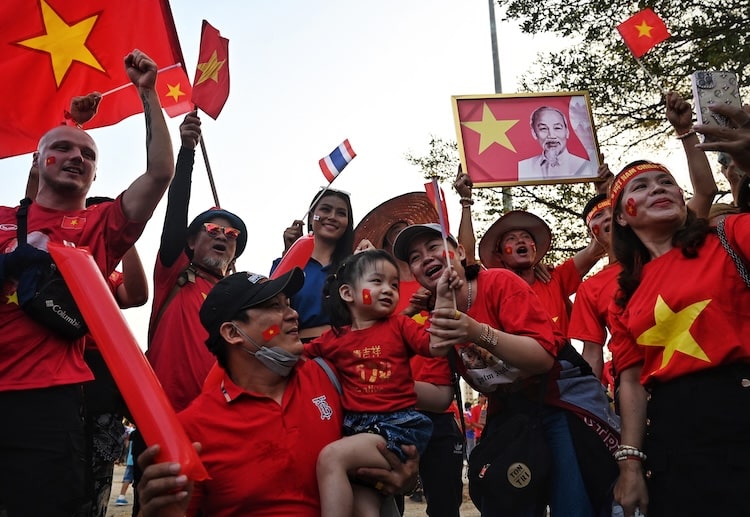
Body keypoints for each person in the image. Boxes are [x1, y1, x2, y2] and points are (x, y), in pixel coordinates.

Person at [0, 49, 173, 517]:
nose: (76, 156)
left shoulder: (99, 228)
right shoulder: (3, 221)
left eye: (88, 155)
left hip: (47, 404)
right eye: (64, 149)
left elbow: (159, 174)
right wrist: (71, 123)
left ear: (95, 174)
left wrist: (148, 93)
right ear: (37, 164)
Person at [136, 268, 419, 517]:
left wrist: (402, 479)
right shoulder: (193, 429)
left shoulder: (333, 375)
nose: (293, 314)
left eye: (288, 304)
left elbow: (390, 451)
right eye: (274, 306)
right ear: (233, 333)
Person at [393, 223, 620, 517]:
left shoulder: (498, 282)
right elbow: (439, 397)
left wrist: (476, 331)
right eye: (414, 257)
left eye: (434, 247)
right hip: (511, 416)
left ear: (460, 253)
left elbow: (541, 359)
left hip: (561, 402)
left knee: (574, 503)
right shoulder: (435, 321)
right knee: (501, 497)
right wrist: (385, 385)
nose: (425, 258)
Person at [607, 160, 750, 517]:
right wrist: (630, 464)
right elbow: (630, 383)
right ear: (623, 217)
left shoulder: (729, 236)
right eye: (640, 187)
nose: (657, 188)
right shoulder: (623, 297)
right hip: (675, 436)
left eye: (666, 182)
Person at [305, 249, 451, 517]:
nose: (388, 290)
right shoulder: (334, 339)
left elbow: (436, 345)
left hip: (397, 427)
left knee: (331, 457)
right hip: (357, 430)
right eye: (377, 281)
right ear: (348, 294)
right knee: (365, 507)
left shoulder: (399, 326)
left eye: (394, 285)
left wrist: (442, 299)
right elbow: (300, 356)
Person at [354, 193, 463, 517]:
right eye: (392, 237)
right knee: (390, 500)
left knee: (446, 504)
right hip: (393, 411)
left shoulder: (437, 283)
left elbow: (466, 263)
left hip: (441, 408)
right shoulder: (379, 291)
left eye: (407, 229)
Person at [146, 111, 248, 413]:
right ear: (190, 242)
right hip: (163, 417)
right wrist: (187, 151)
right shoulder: (174, 271)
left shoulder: (239, 298)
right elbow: (176, 208)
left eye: (231, 234)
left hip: (220, 417)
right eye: (213, 230)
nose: (223, 236)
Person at [478, 209, 604, 336]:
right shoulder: (495, 295)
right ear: (500, 255)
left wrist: (604, 214)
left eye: (526, 237)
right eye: (511, 239)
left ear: (534, 249)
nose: (520, 241)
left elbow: (596, 249)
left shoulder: (553, 279)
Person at [273, 188, 355, 341]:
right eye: (325, 209)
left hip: (347, 350)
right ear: (311, 218)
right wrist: (290, 253)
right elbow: (272, 313)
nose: (332, 217)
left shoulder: (355, 266)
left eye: (341, 213)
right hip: (298, 353)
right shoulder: (284, 264)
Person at [517, 106, 595, 181]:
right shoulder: (523, 167)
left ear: (567, 132)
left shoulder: (585, 166)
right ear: (534, 133)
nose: (551, 136)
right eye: (543, 129)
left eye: (557, 128)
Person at [115, 435, 135, 506]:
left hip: (130, 460)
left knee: (127, 479)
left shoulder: (132, 434)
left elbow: (126, 445)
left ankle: (121, 497)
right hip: (139, 460)